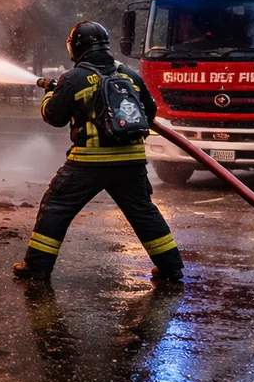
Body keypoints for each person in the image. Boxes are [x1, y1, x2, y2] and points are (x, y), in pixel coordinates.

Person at [14, 21, 184, 284]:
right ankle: (171, 269)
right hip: (132, 162)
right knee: (143, 212)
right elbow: (149, 113)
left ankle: (37, 268)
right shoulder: (129, 75)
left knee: (56, 207)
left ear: (76, 47)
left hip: (89, 163)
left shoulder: (73, 78)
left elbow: (54, 116)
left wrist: (50, 94)